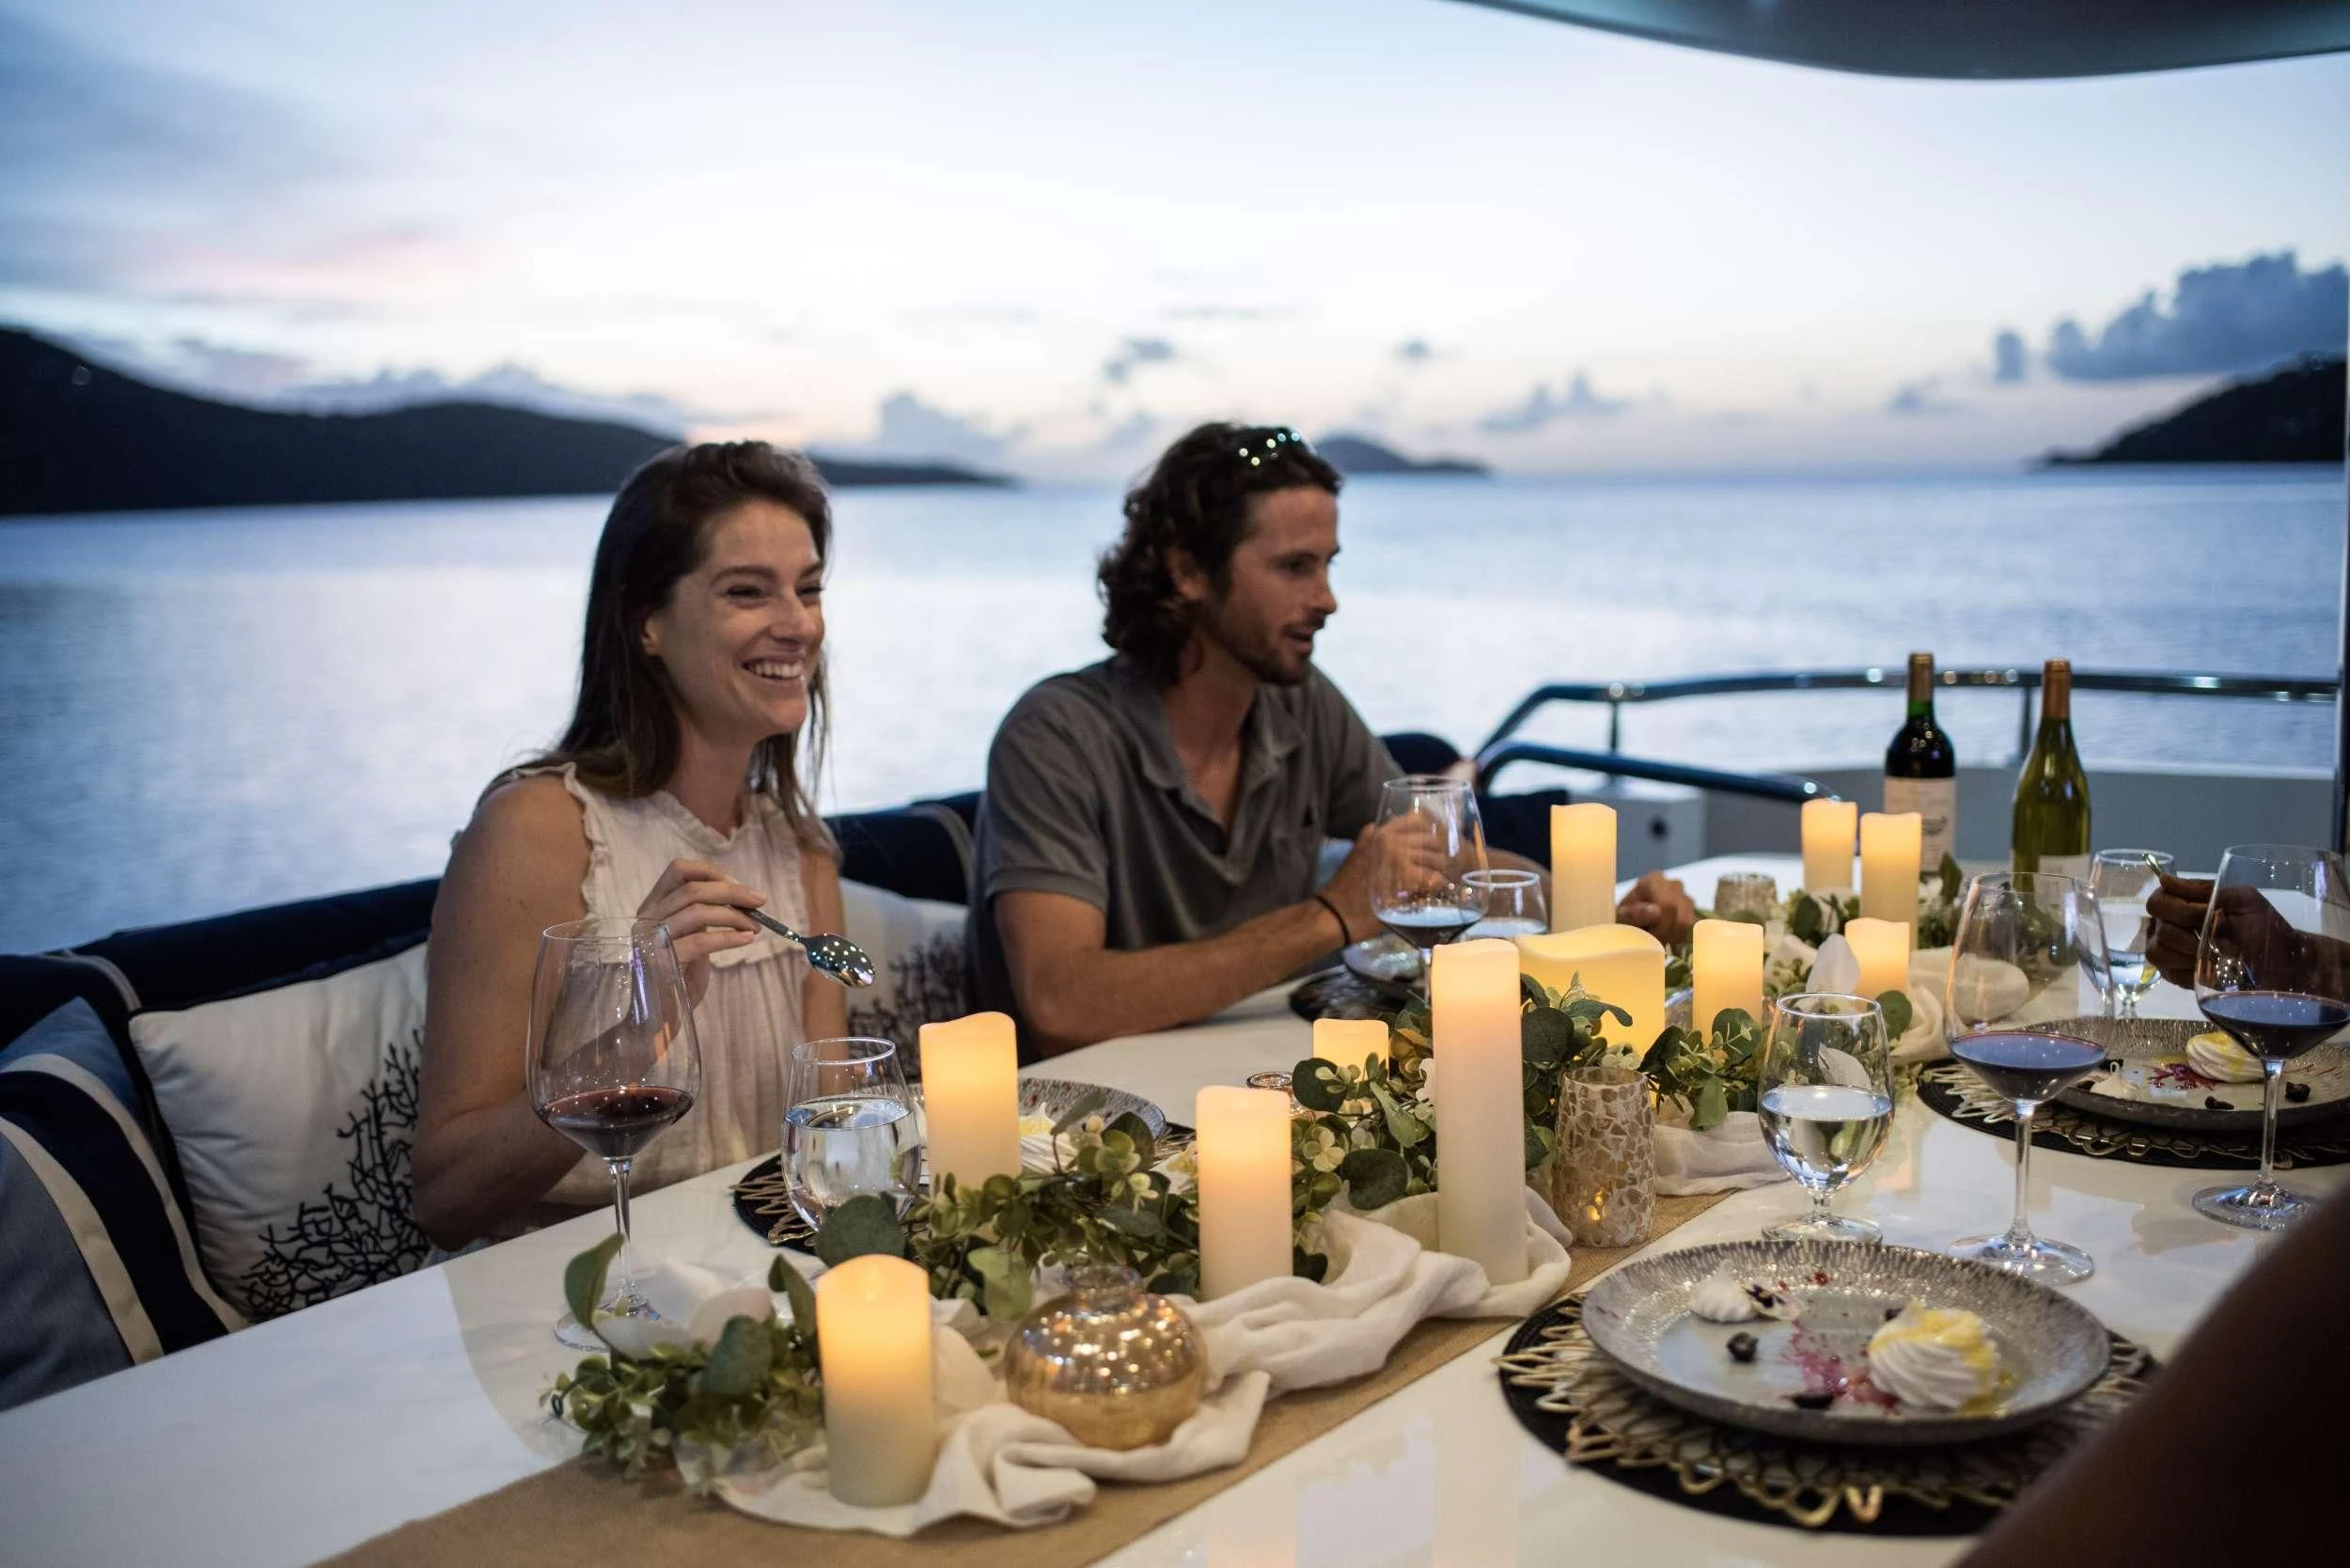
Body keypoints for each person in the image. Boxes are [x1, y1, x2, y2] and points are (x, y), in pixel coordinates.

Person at [968, 422, 1696, 1058]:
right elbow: (1060, 1007)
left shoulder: (1300, 705)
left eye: (1328, 563)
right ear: (1187, 569)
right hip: (1079, 1129)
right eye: (1293, 567)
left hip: (1247, 1071)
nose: (1327, 599)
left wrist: (1605, 913)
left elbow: (1443, 864)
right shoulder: (1055, 738)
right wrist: (1332, 915)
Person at [414, 443, 849, 1248]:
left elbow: (820, 1144)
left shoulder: (801, 851)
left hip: (759, 1281)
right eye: (748, 592)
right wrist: (643, 1012)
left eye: (809, 588)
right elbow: (446, 1195)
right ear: (647, 623)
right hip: (575, 1300)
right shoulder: (539, 830)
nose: (798, 624)